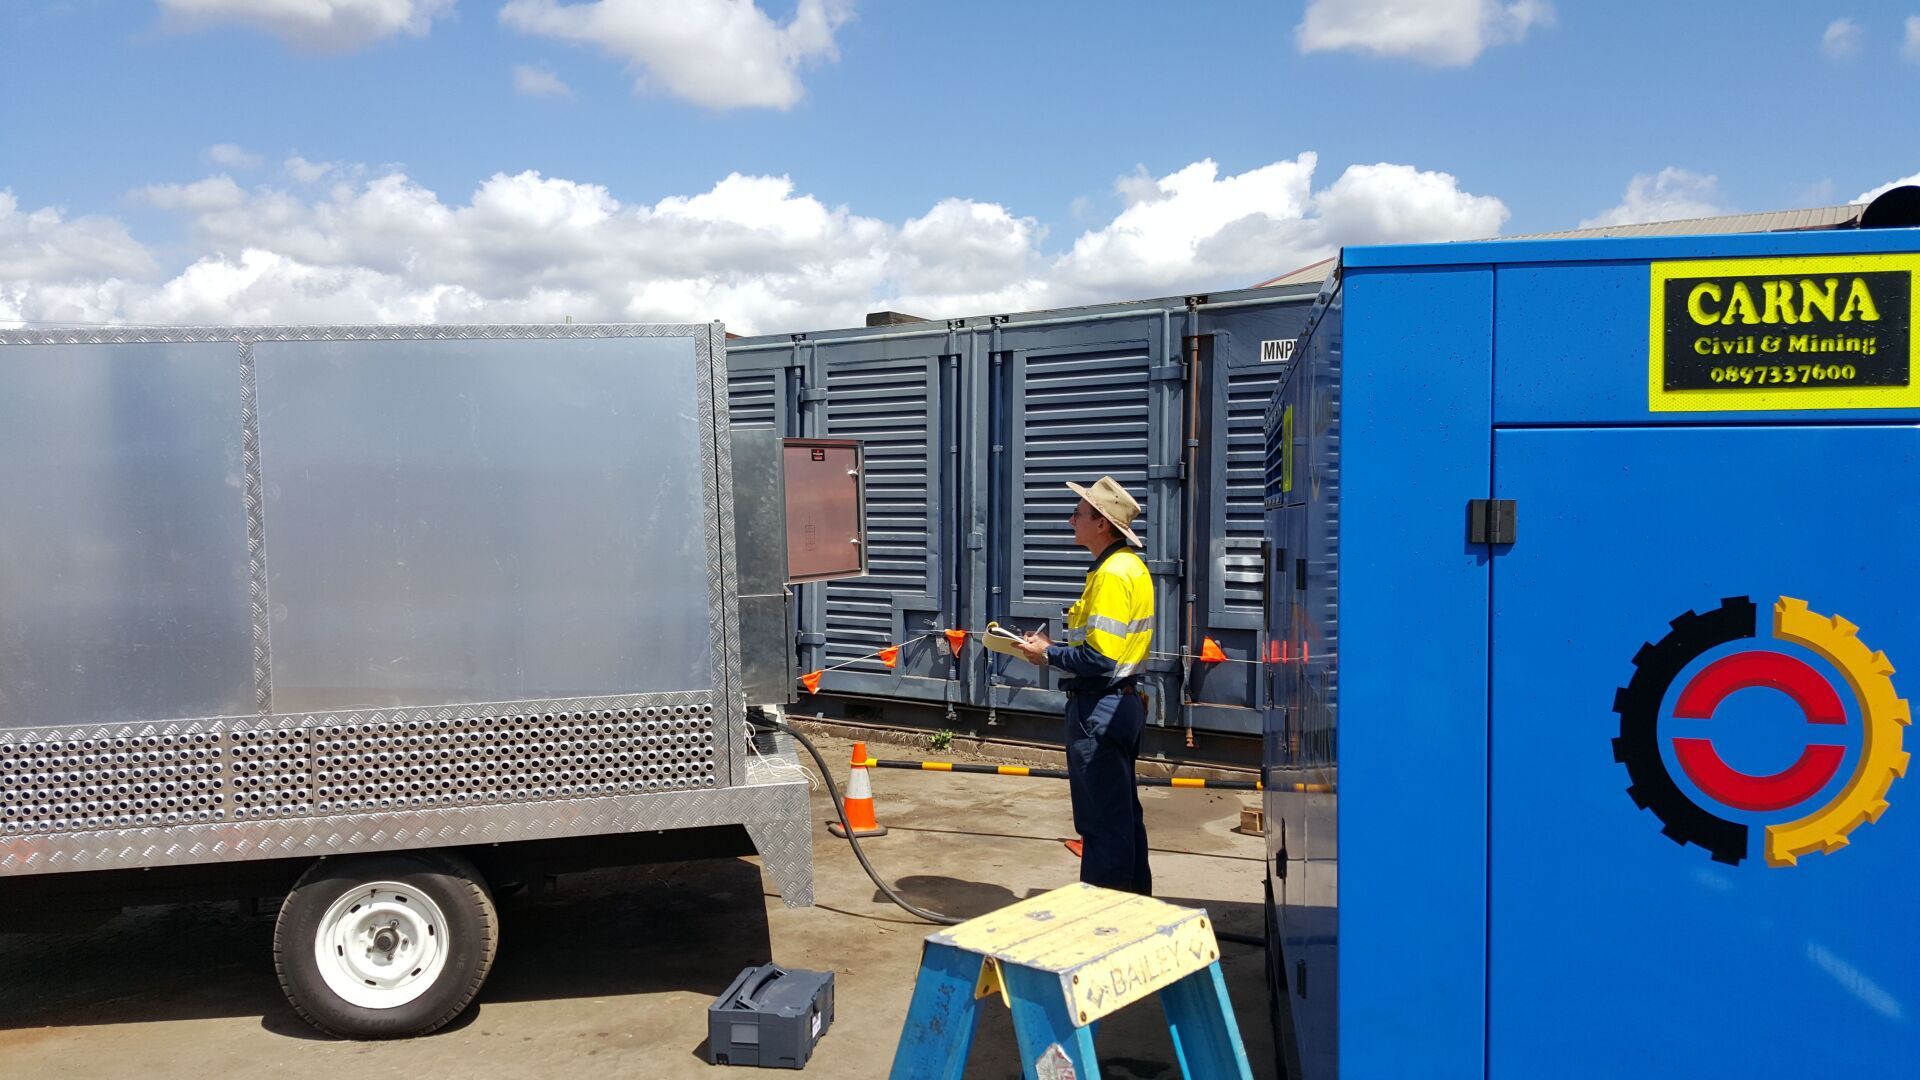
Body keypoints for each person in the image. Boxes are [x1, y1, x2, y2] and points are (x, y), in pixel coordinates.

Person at [1015, 475, 1154, 895]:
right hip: (1122, 703)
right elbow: (1104, 647)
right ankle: (1135, 913)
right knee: (1124, 817)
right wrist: (1056, 647)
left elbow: (1100, 658)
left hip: (1100, 709)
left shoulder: (1111, 575)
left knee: (1101, 825)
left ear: (1103, 525)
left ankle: (1103, 924)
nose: (1071, 518)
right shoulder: (1130, 567)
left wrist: (1047, 654)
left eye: (1080, 512)